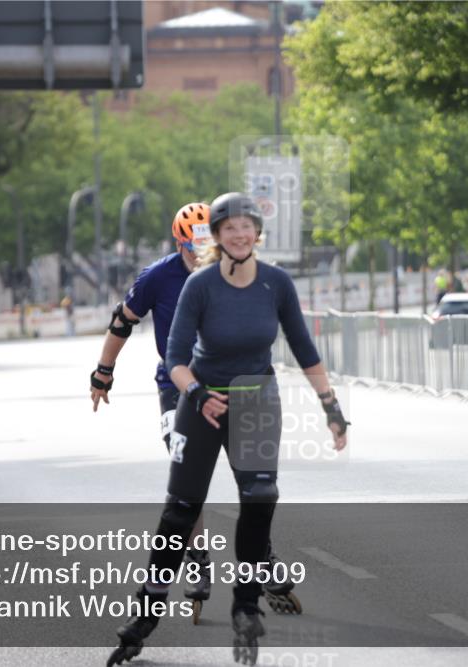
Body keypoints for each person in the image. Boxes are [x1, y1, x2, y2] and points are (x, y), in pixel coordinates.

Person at [107, 193, 350, 667]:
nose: (239, 235)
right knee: (181, 510)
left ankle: (246, 604)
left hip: (256, 397)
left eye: (246, 227)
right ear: (217, 237)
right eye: (229, 228)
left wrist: (331, 406)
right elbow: (175, 357)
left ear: (257, 232)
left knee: (260, 497)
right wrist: (197, 394)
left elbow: (304, 348)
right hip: (202, 402)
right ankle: (145, 614)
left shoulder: (276, 283)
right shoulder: (200, 285)